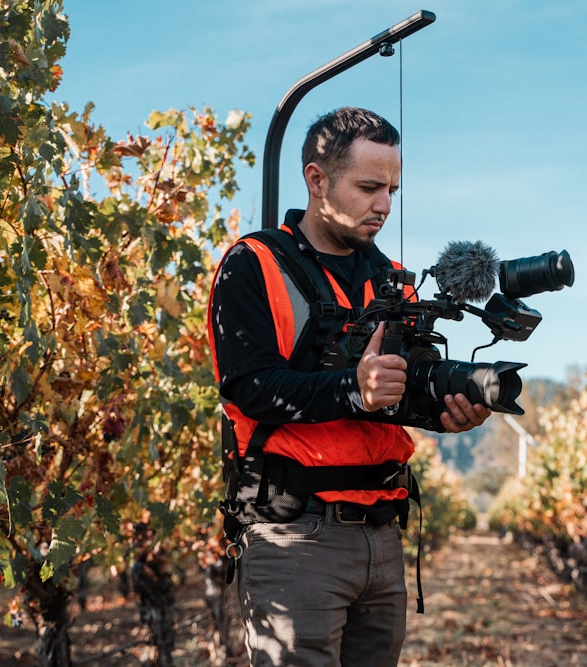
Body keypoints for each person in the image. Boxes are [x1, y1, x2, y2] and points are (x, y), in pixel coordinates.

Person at [207, 106, 490, 666]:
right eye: (368, 187)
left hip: (383, 536)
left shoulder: (392, 279)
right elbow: (248, 388)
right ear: (317, 180)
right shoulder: (253, 264)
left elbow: (405, 395)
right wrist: (352, 390)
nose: (384, 205)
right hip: (296, 537)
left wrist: (447, 409)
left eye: (391, 189)